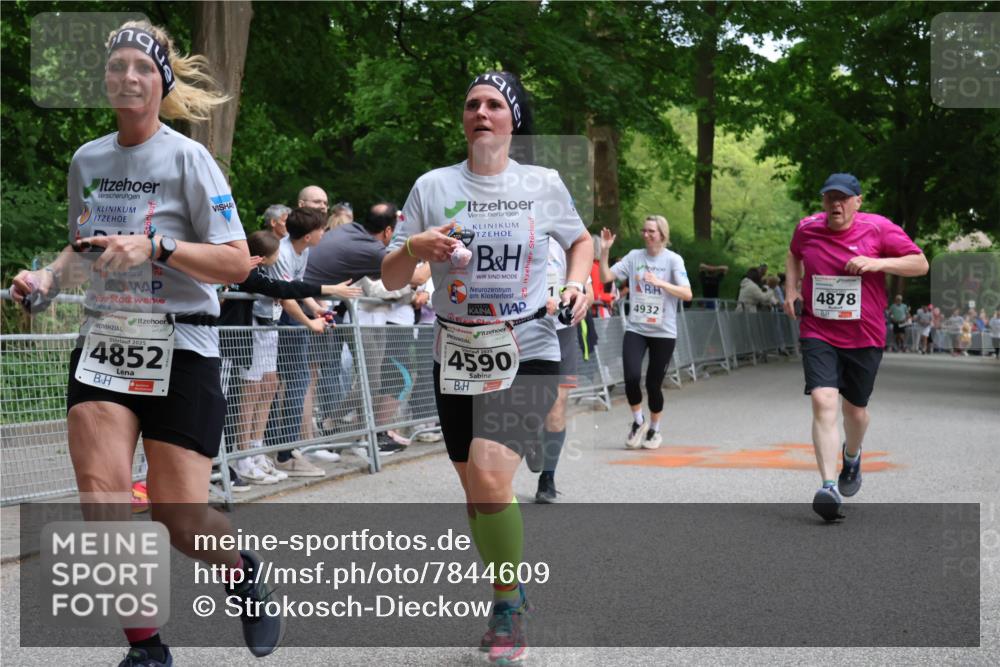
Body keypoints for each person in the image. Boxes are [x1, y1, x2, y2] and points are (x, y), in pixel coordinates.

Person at [8, 20, 283, 665]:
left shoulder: (189, 157)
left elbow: (238, 263)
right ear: (105, 80)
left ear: (161, 80)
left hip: (182, 343)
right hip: (106, 339)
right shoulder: (88, 160)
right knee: (102, 501)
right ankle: (147, 648)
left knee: (179, 519)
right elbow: (81, 251)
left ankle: (242, 573)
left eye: (141, 66)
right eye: (116, 66)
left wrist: (156, 246)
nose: (127, 77)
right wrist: (46, 278)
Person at [381, 70, 592, 664]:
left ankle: (506, 605)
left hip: (529, 343)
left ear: (512, 119)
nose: (480, 112)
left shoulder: (542, 183)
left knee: (490, 477)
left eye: (493, 104)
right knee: (477, 492)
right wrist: (412, 249)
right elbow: (391, 276)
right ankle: (511, 587)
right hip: (456, 351)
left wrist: (576, 286)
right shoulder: (432, 186)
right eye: (471, 102)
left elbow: (581, 243)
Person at [783, 173, 928, 522]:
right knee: (823, 400)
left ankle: (852, 455)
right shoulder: (808, 228)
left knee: (856, 412)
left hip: (864, 334)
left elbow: (920, 264)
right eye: (830, 197)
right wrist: (791, 290)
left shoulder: (878, 229)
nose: (836, 204)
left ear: (857, 202)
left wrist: (879, 263)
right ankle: (829, 486)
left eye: (843, 198)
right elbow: (793, 254)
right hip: (818, 329)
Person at [219, 230, 360, 483]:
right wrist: (328, 291)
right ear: (264, 257)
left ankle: (257, 450)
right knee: (250, 391)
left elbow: (285, 290)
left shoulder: (262, 271)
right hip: (248, 335)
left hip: (267, 331)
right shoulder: (249, 273)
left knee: (269, 384)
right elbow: (286, 290)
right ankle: (242, 456)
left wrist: (316, 309)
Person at [599, 215, 693, 449]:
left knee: (653, 385)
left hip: (663, 331)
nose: (646, 234)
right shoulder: (634, 257)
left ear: (662, 234)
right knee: (631, 377)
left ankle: (654, 429)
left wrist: (661, 283)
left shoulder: (673, 260)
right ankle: (638, 421)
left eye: (651, 231)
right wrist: (604, 251)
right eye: (644, 230)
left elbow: (687, 293)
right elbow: (606, 277)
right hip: (637, 328)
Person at [526, 237, 595, 503]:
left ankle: (548, 478)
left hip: (562, 334)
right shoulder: (523, 237)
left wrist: (570, 304)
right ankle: (530, 436)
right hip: (526, 332)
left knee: (556, 407)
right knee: (528, 407)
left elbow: (587, 292)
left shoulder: (572, 245)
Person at [269, 207, 333, 475]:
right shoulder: (282, 253)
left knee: (292, 381)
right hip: (278, 321)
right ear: (308, 236)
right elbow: (286, 297)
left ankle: (285, 448)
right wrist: (310, 322)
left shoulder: (302, 250)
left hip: (290, 318)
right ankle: (284, 452)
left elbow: (297, 284)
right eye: (321, 229)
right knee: (291, 382)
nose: (324, 233)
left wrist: (316, 308)